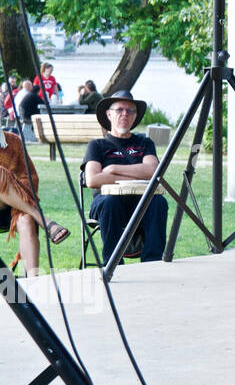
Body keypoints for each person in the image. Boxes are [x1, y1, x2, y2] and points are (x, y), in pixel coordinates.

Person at [83, 91, 168, 263]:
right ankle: (113, 264)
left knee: (158, 202)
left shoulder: (144, 143)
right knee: (110, 202)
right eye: (119, 110)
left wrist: (113, 169)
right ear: (109, 114)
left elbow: (153, 171)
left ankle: (153, 263)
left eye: (130, 111)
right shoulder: (97, 145)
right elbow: (92, 180)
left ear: (135, 116)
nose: (125, 114)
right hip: (106, 203)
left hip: (140, 201)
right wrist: (137, 173)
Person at [0, 130, 71, 277]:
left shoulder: (13, 140)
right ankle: (43, 220)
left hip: (13, 206)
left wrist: (11, 185)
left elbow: (29, 177)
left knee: (26, 220)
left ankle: (32, 282)